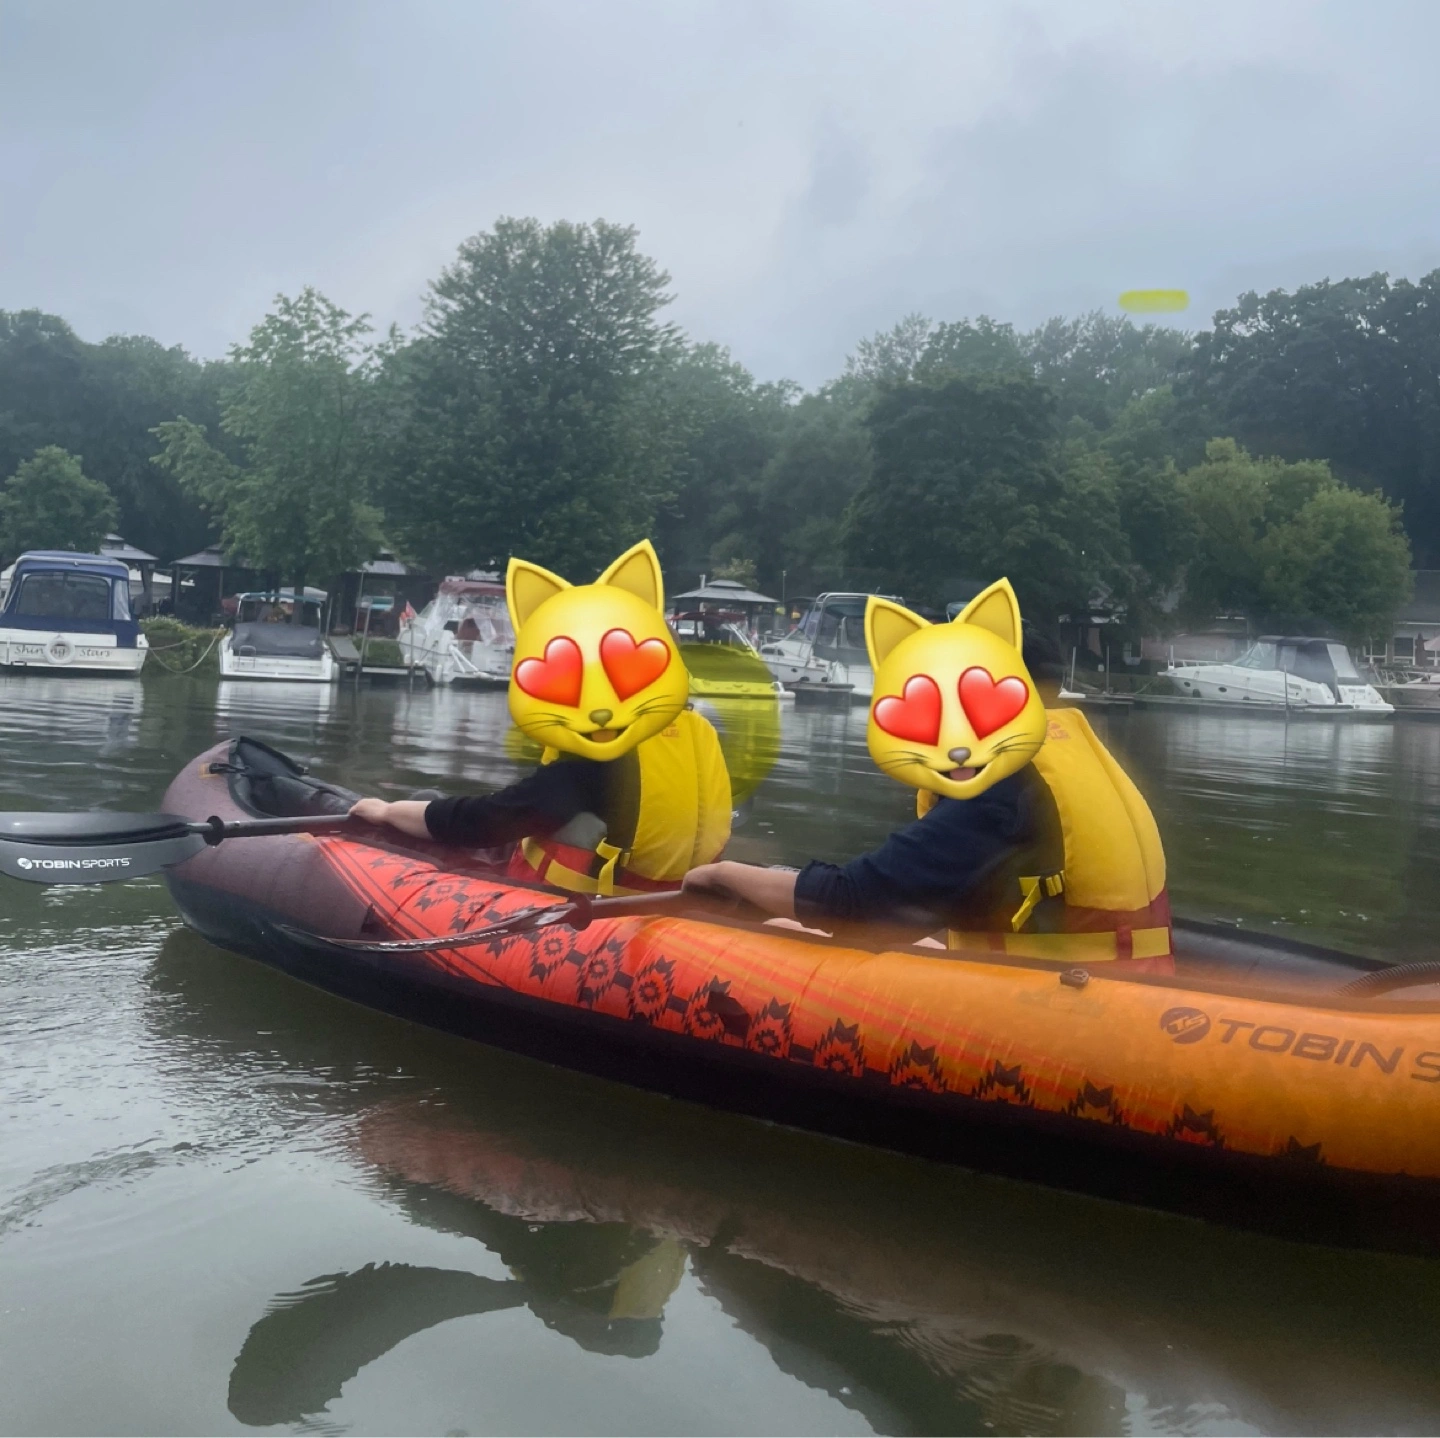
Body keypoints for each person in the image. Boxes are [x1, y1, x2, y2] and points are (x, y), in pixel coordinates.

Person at [685, 580, 1172, 969]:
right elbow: (909, 910)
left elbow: (850, 903)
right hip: (1116, 984)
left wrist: (723, 873)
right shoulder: (1072, 751)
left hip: (1065, 1008)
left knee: (786, 930)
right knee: (800, 927)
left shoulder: (1004, 779)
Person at [351, 540, 732, 897]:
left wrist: (387, 811)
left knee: (423, 805)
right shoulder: (699, 732)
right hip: (672, 898)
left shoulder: (601, 751)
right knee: (430, 800)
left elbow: (487, 821)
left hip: (595, 908)